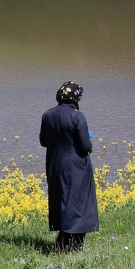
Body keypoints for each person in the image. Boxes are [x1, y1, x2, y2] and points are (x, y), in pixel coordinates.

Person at [40, 81, 98, 252]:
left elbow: (44, 141)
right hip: (76, 166)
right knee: (79, 202)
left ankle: (70, 244)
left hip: (55, 164)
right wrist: (88, 137)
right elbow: (86, 146)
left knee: (62, 200)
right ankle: (67, 245)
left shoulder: (47, 115)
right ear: (76, 98)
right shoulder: (78, 116)